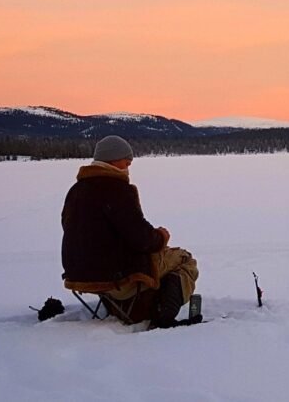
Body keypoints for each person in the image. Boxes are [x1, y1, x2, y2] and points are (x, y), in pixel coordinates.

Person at [61, 135, 199, 327]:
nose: (129, 165)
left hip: (81, 275)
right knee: (184, 259)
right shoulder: (117, 189)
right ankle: (163, 316)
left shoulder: (76, 191)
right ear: (113, 159)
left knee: (164, 257)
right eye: (126, 161)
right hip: (117, 276)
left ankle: (128, 306)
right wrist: (161, 236)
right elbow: (140, 238)